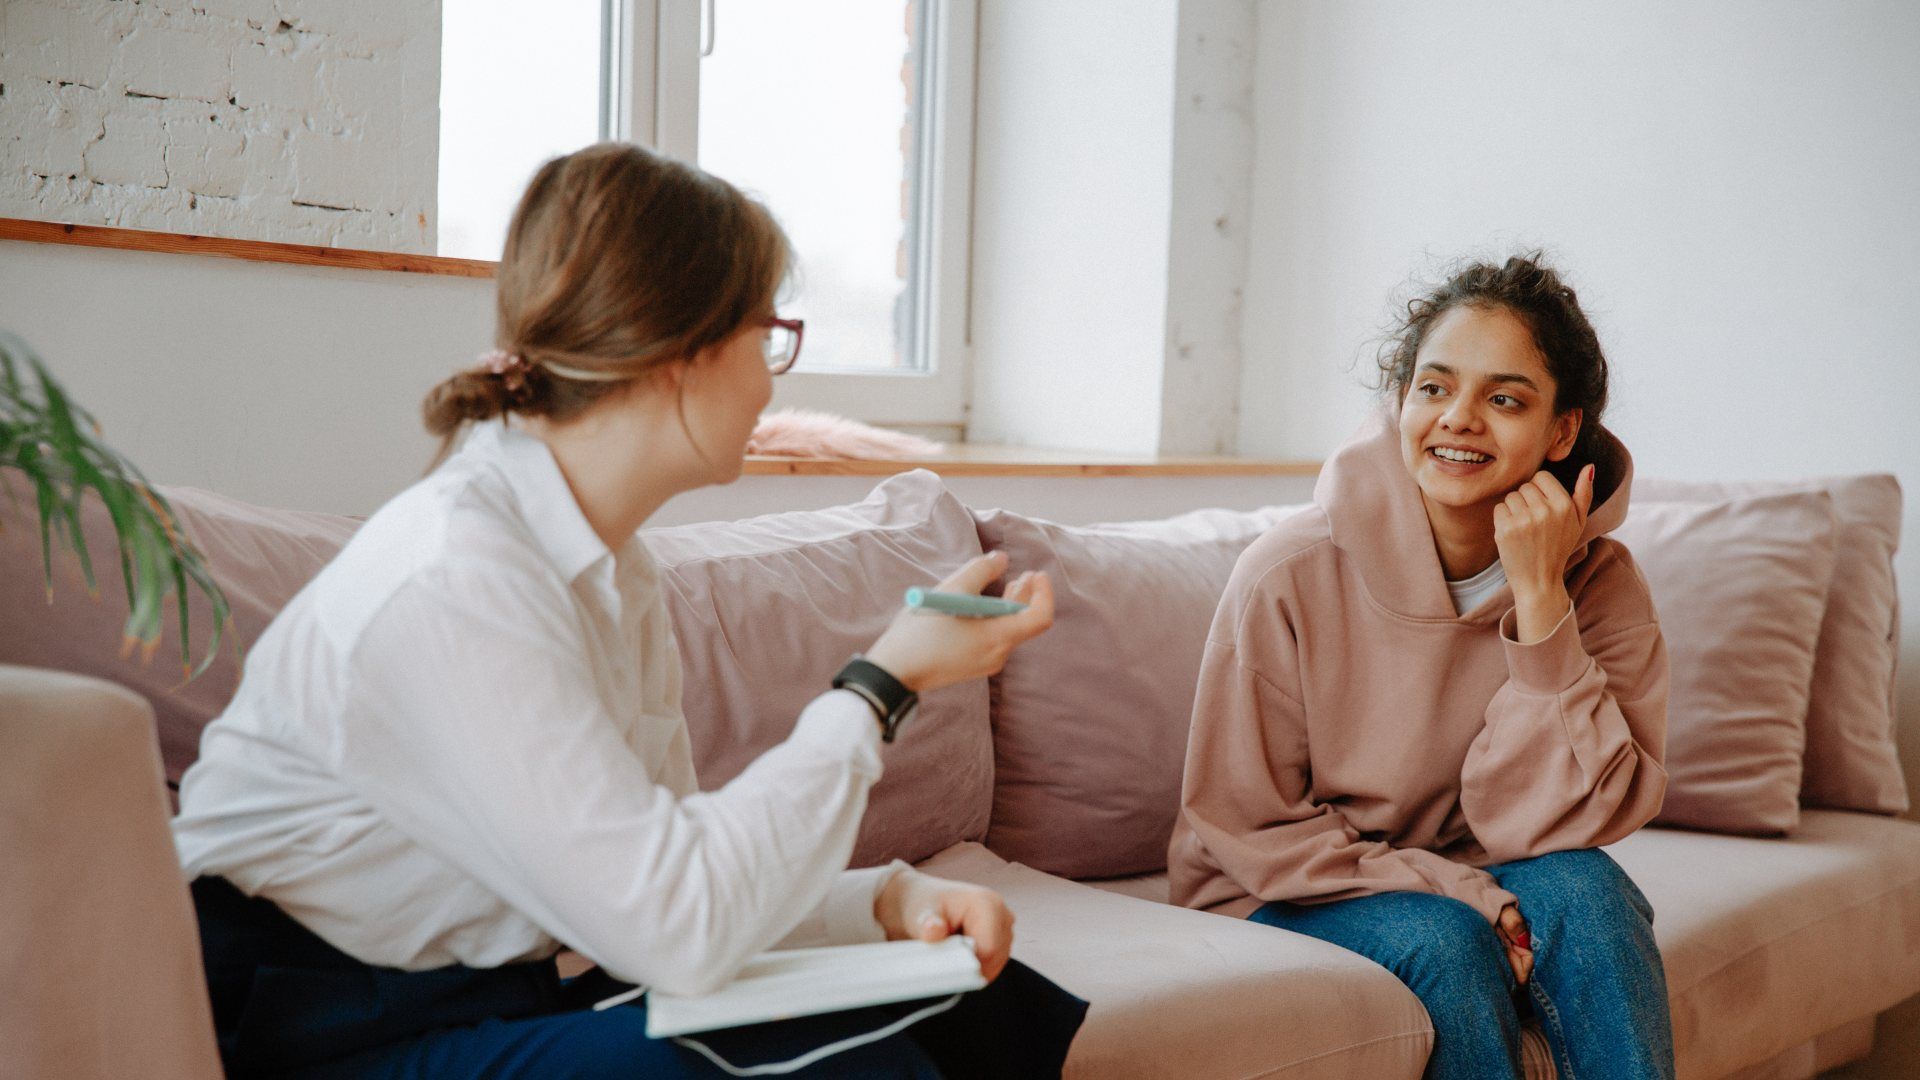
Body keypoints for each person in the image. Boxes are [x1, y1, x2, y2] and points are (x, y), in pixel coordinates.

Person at [171, 142, 1087, 1079]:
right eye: (765, 337)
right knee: (842, 1066)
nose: (773, 381)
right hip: (315, 1031)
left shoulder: (613, 570)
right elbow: (678, 932)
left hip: (480, 996)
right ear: (677, 352)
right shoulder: (460, 579)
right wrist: (883, 682)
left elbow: (674, 878)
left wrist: (883, 905)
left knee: (968, 999)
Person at [1170, 254, 1675, 1079]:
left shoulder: (1602, 585)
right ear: (1398, 401)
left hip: (1484, 867)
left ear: (1561, 431)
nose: (1460, 420)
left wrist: (1542, 601)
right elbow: (1248, 823)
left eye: (1504, 398)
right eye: (1435, 388)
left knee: (1590, 892)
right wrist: (1466, 892)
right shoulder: (1286, 573)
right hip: (1280, 889)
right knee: (1446, 942)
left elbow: (1579, 821)